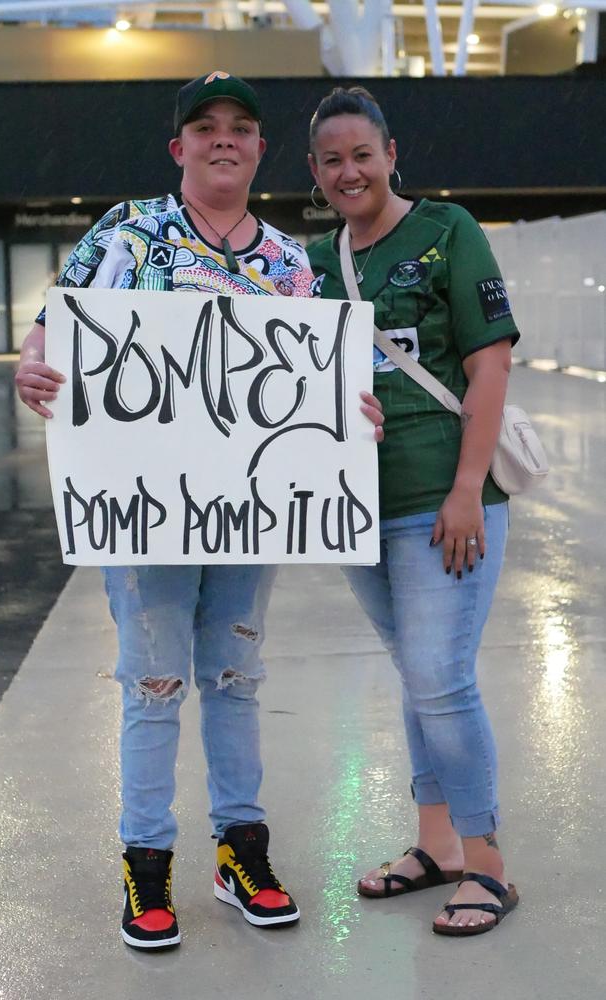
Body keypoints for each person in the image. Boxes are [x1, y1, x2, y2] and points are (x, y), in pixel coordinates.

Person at [16, 72, 384, 951]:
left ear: (260, 151)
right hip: (147, 512)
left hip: (248, 514)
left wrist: (349, 409)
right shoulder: (128, 231)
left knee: (236, 678)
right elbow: (51, 329)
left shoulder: (293, 263)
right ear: (178, 147)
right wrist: (30, 365)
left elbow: (322, 379)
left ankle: (240, 849)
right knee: (152, 685)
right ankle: (146, 862)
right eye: (206, 127)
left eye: (241, 128)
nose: (224, 139)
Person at [306, 86, 519, 938]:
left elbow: (490, 365)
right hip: (358, 509)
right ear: (315, 173)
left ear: (391, 154)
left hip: (443, 502)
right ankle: (438, 847)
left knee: (441, 678)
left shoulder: (449, 231)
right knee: (419, 679)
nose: (349, 170)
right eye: (332, 159)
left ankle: (489, 863)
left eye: (363, 153)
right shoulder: (314, 263)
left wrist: (468, 487)